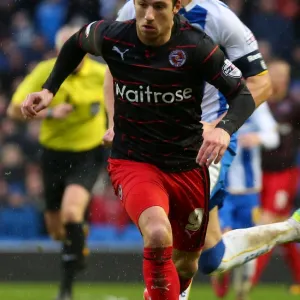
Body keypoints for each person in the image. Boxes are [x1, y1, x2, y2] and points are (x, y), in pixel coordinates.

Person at [20, 0, 258, 299]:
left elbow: (243, 96)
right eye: (142, 4)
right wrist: (48, 89)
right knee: (158, 234)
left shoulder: (198, 47)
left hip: (187, 165)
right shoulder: (112, 35)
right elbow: (76, 42)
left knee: (187, 264)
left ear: (176, 7)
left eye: (158, 6)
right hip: (134, 161)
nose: (147, 15)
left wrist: (224, 129)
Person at [7, 26, 107, 300]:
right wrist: (48, 113)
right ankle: (77, 247)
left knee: (71, 214)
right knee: (56, 231)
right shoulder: (45, 72)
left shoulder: (101, 74)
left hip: (88, 153)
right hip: (53, 154)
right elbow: (13, 110)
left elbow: (119, 102)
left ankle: (66, 287)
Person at [213, 102, 279, 300]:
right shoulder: (214, 102)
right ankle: (221, 283)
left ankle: (242, 293)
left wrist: (258, 138)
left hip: (249, 191)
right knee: (222, 237)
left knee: (248, 242)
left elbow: (273, 136)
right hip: (222, 187)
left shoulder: (256, 105)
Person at [251, 60, 300, 295]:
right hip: (260, 174)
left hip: (285, 174)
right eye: (277, 74)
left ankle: (248, 283)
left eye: (285, 75)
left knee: (268, 223)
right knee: (284, 228)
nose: (281, 79)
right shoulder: (259, 104)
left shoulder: (294, 104)